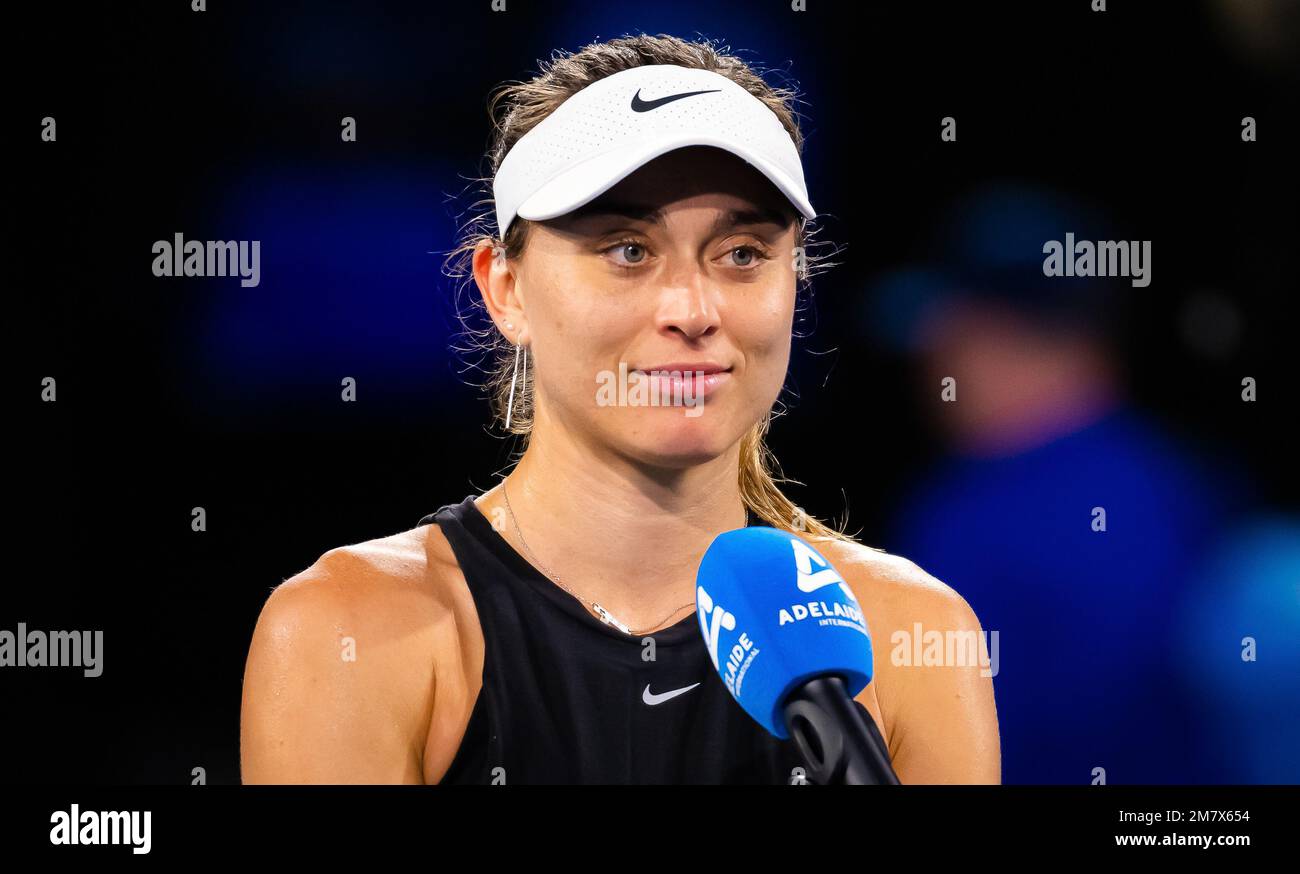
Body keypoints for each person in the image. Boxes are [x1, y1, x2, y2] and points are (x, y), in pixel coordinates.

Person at [240, 34, 1000, 784]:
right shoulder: (348, 631)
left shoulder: (911, 633)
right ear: (505, 289)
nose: (693, 309)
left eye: (742, 253)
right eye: (627, 249)